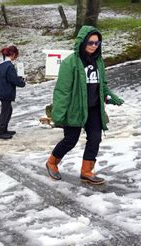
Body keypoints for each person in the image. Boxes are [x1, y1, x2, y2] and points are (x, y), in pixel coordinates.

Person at [46, 25, 124, 185]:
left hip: (94, 108)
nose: (94, 46)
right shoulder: (70, 63)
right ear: (82, 42)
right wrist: (58, 114)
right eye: (90, 43)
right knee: (70, 140)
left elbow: (102, 84)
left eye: (97, 43)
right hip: (75, 108)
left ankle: (86, 171)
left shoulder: (98, 62)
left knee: (95, 138)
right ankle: (52, 162)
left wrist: (110, 96)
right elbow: (62, 90)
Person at [0, 45, 26, 139]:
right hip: (6, 92)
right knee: (6, 111)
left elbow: (7, 78)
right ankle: (0, 132)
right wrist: (22, 82)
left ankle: (4, 129)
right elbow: (13, 80)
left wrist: (17, 79)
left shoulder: (0, 65)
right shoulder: (9, 66)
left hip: (1, 91)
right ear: (13, 54)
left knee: (8, 110)